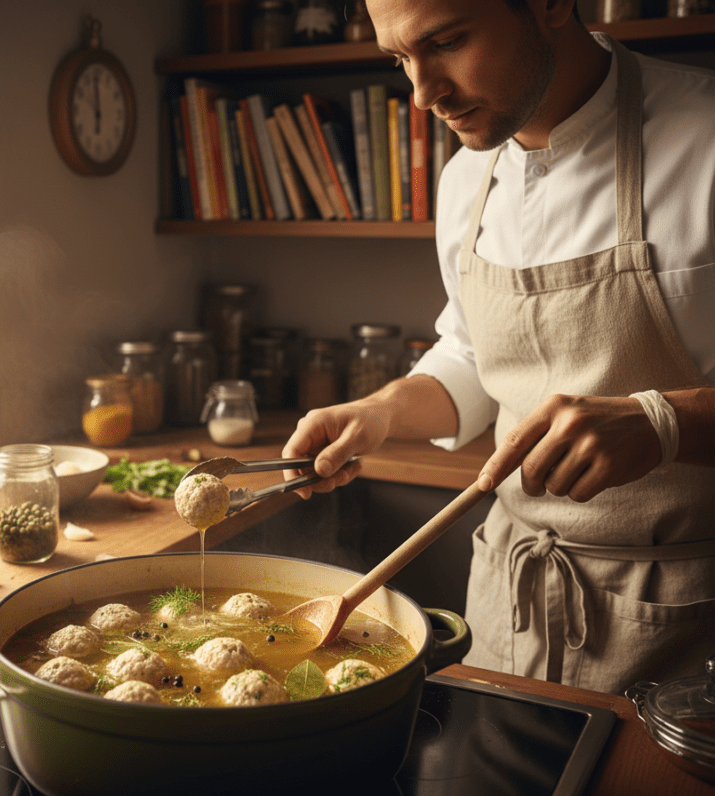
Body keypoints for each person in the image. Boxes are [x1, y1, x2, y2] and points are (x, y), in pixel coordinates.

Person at [282, 0, 715, 695]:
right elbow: (479, 357)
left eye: (447, 42)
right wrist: (385, 411)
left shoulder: (707, 139)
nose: (423, 94)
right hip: (507, 609)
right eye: (400, 61)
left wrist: (667, 424)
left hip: (683, 633)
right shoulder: (465, 181)